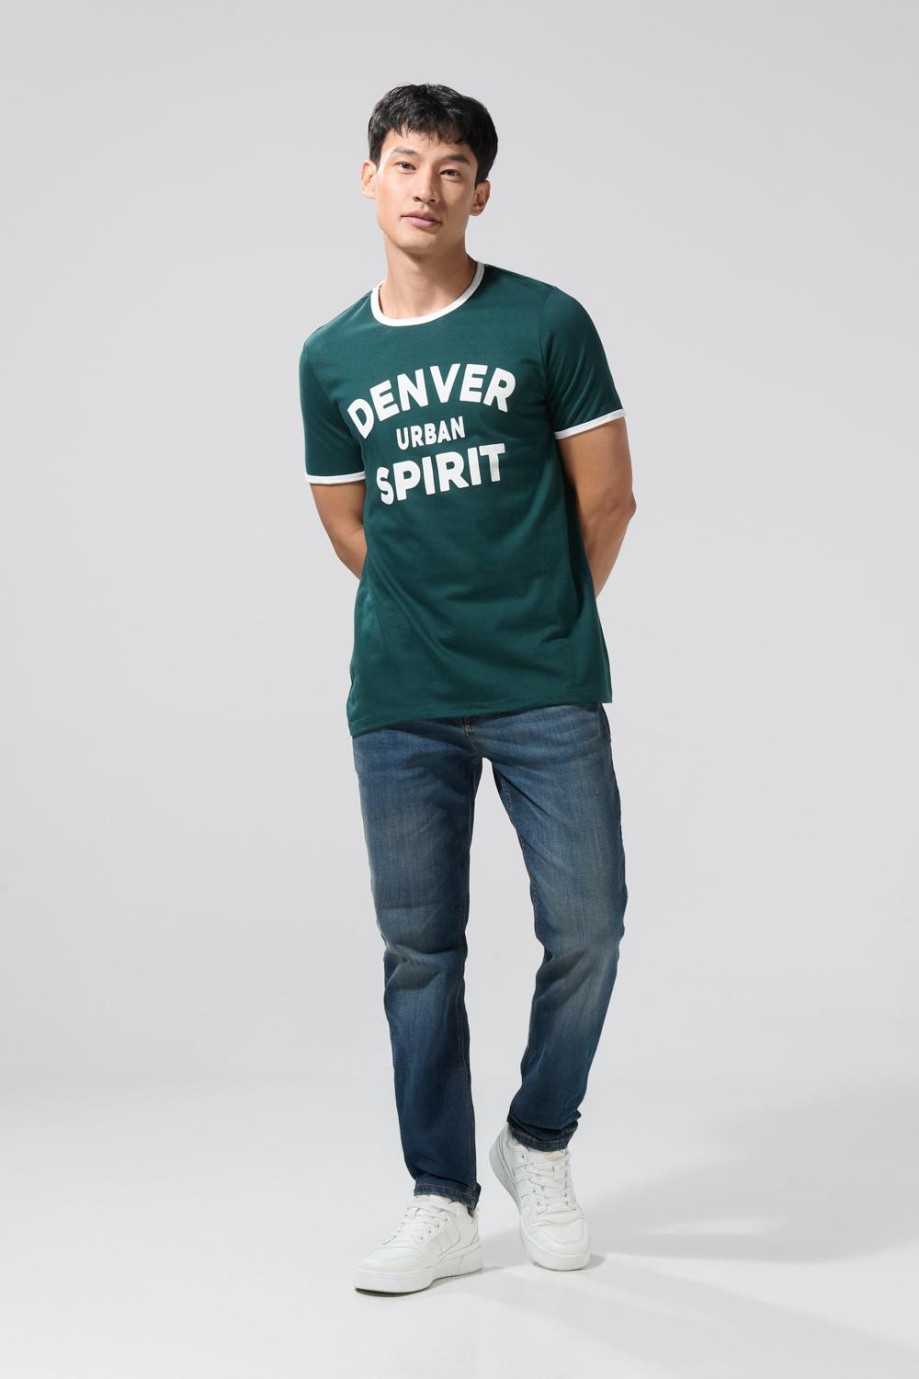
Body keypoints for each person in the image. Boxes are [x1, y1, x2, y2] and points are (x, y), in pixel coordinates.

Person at [298, 83, 636, 1295]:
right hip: (402, 695)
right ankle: (440, 1196)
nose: (425, 188)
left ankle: (536, 1137)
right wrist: (430, 611)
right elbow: (347, 520)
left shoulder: (546, 322)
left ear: (479, 193)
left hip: (544, 683)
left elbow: (609, 497)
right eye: (404, 163)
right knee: (420, 951)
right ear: (369, 180)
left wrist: (536, 620)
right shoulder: (330, 355)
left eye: (450, 170)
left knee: (587, 925)